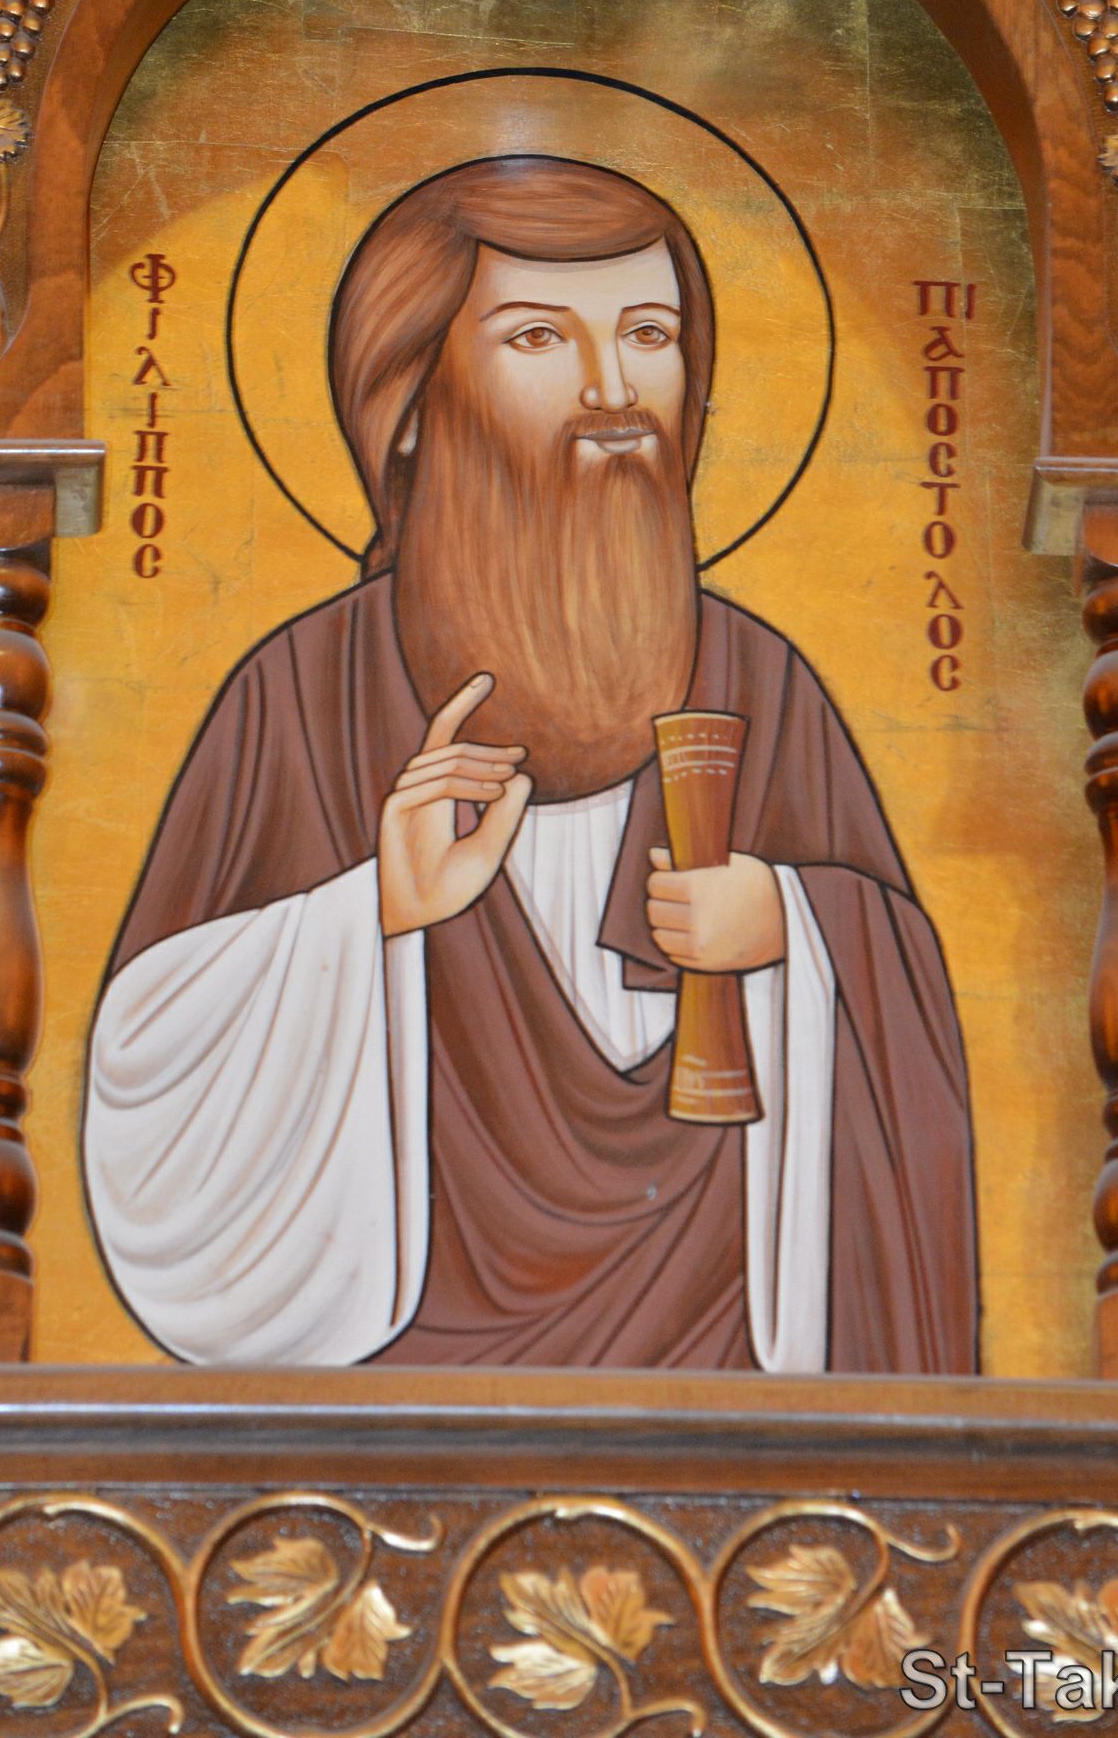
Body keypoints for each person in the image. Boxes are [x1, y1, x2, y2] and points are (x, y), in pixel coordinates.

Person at [82, 154, 977, 1372]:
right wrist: (373, 915)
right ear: (408, 403)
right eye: (541, 338)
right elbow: (149, 1068)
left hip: (723, 1419)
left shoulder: (764, 689)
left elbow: (907, 1032)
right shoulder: (300, 697)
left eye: (649, 334)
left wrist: (793, 927)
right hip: (386, 1427)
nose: (614, 389)